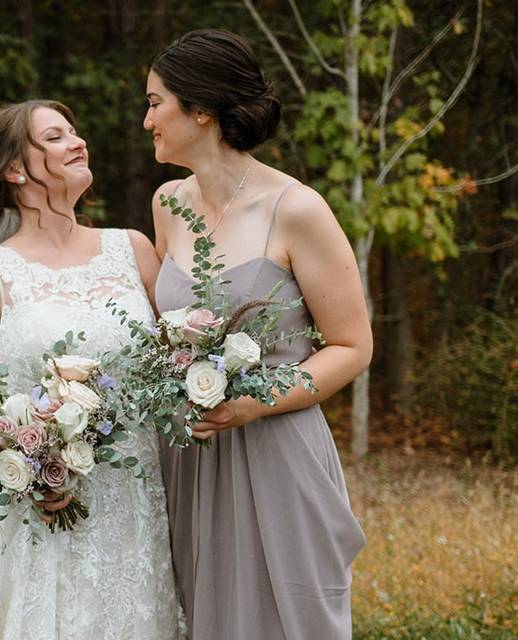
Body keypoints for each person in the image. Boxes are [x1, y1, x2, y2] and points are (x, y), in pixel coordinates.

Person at [0, 99, 184, 639]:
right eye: (55, 137)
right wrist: (23, 459)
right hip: (36, 508)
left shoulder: (133, 250)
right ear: (15, 169)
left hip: (135, 502)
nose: (77, 142)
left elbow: (175, 363)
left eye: (75, 132)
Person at [143, 29, 370, 640]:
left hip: (276, 449)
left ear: (200, 110)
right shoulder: (167, 203)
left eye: (155, 102)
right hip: (191, 457)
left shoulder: (296, 209)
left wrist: (251, 402)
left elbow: (352, 347)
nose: (147, 120)